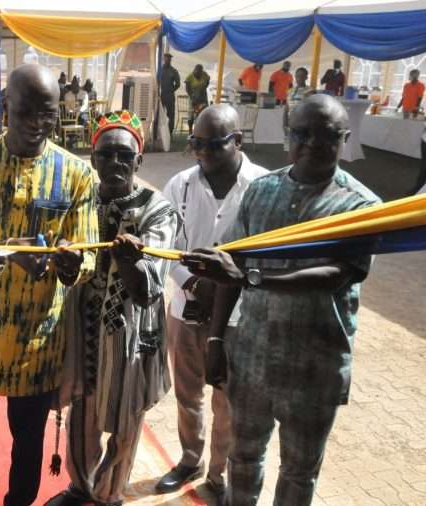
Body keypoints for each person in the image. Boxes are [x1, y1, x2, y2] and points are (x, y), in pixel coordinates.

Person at [182, 94, 380, 505]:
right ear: (288, 135)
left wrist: (250, 277)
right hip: (252, 357)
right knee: (243, 456)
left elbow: (336, 275)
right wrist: (216, 341)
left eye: (326, 135)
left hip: (315, 367)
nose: (311, 143)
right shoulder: (261, 191)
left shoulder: (360, 207)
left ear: (344, 138)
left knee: (299, 471)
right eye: (302, 133)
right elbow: (231, 263)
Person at [0, 63, 97, 506]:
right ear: (4, 106)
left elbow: (87, 252)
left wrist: (71, 264)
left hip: (37, 344)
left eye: (47, 113)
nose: (36, 123)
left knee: (27, 448)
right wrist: (8, 252)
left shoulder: (76, 173)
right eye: (26, 111)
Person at [47, 111, 178, 506]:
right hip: (81, 328)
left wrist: (130, 262)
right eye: (106, 155)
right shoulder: (80, 200)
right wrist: (64, 263)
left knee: (126, 418)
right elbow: (64, 268)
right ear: (93, 158)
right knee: (82, 412)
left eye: (125, 156)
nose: (115, 163)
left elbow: (148, 289)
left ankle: (110, 494)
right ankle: (79, 487)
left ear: (139, 160)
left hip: (130, 334)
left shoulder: (158, 209)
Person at [155, 104, 268, 506]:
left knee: (228, 403)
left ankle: (219, 475)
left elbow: (266, 253)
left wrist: (224, 287)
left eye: (213, 144)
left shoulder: (262, 186)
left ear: (237, 141)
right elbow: (165, 244)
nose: (201, 152)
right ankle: (190, 459)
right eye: (195, 143)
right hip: (185, 310)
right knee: (188, 394)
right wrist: (192, 284)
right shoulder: (180, 185)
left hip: (238, 318)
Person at [284, 68, 316, 151]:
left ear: (306, 77)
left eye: (302, 76)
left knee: (301, 150)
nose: (299, 78)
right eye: (297, 76)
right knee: (290, 150)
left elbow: (312, 110)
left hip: (303, 125)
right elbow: (286, 109)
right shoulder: (290, 91)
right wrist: (284, 125)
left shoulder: (310, 91)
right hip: (291, 124)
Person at [160, 53, 181, 136]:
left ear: (170, 60)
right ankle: (160, 134)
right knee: (160, 115)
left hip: (170, 96)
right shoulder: (159, 70)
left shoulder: (173, 71)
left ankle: (170, 134)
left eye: (169, 59)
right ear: (163, 59)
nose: (167, 60)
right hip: (161, 95)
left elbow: (178, 84)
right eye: (166, 58)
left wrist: (171, 90)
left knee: (171, 116)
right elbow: (156, 81)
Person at [185, 65, 211, 132]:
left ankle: (199, 130)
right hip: (193, 96)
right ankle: (190, 130)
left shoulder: (204, 74)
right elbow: (187, 89)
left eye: (200, 72)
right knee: (191, 114)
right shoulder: (189, 77)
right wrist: (192, 97)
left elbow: (208, 80)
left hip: (203, 97)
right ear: (195, 71)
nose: (199, 74)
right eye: (198, 72)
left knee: (202, 113)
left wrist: (204, 87)